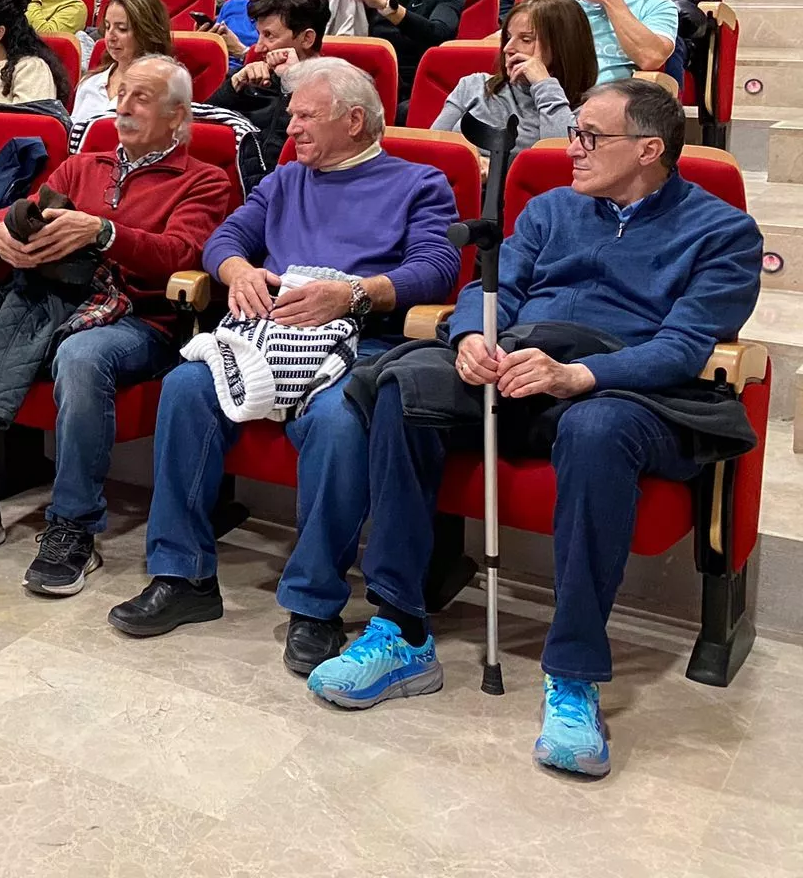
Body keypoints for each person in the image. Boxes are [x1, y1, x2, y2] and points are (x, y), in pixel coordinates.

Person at [311, 82, 760, 779]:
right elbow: (489, 288)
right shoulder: (551, 209)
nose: (571, 148)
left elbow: (683, 346)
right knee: (405, 387)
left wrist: (580, 376)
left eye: (590, 136)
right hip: (520, 364)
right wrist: (472, 338)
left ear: (649, 149)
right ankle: (401, 630)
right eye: (574, 132)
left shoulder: (722, 231)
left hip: (625, 387)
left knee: (596, 429)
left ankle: (573, 675)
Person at [109, 58, 461, 672]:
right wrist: (238, 271)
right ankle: (183, 577)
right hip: (266, 335)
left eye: (304, 116)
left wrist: (352, 294)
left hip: (359, 342)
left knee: (339, 421)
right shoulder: (284, 179)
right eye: (291, 115)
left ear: (354, 121)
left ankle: (314, 603)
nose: (289, 127)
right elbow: (224, 240)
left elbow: (437, 268)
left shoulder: (419, 182)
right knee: (186, 386)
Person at [0, 56, 239, 591]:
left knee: (81, 354)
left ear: (177, 116)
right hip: (47, 301)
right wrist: (0, 234)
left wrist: (104, 233)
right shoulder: (84, 165)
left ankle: (73, 524)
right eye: (122, 94)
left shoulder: (204, 180)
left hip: (139, 318)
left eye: (141, 98)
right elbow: (17, 209)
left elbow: (182, 253)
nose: (123, 107)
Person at [433, 0, 595, 148]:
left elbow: (559, 158)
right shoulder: (473, 85)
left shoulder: (588, 109)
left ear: (562, 47)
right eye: (508, 37)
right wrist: (474, 162)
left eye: (526, 39)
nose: (508, 48)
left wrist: (544, 85)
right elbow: (434, 150)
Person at [207, 0, 329, 167]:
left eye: (269, 35)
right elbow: (201, 129)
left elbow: (277, 161)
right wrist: (233, 85)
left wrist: (292, 83)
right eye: (259, 34)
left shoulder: (332, 92)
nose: (258, 48)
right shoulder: (250, 78)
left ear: (307, 39)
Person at [69, 0, 172, 143]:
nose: (110, 37)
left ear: (146, 32)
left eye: (122, 29)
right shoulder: (89, 83)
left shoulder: (166, 87)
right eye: (107, 27)